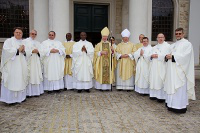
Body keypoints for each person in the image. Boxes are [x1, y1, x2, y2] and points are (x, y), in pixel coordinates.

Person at [164, 28, 196, 113]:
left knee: (179, 88)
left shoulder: (187, 44)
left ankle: (179, 106)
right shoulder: (174, 45)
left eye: (179, 33)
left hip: (180, 71)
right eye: (176, 33)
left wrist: (173, 56)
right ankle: (171, 104)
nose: (178, 35)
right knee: (171, 86)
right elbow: (168, 53)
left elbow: (186, 56)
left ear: (183, 34)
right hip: (172, 70)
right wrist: (167, 56)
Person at [0, 27, 28, 104]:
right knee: (11, 80)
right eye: (17, 32)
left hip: (21, 65)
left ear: (22, 34)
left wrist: (24, 51)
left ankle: (20, 98)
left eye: (20, 33)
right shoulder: (9, 41)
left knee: (21, 79)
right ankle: (10, 99)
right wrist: (17, 50)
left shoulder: (24, 42)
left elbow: (28, 53)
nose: (18, 34)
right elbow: (6, 51)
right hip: (11, 66)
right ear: (14, 33)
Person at [149, 33, 170, 102]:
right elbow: (149, 55)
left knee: (161, 80)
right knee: (154, 79)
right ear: (157, 38)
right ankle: (154, 95)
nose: (160, 39)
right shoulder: (154, 47)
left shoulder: (168, 46)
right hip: (154, 67)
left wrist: (158, 56)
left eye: (162, 37)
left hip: (162, 66)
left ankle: (161, 96)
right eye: (159, 37)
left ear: (164, 38)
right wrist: (151, 56)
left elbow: (168, 55)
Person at [24, 30, 44, 96]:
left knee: (36, 74)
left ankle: (36, 92)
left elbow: (42, 52)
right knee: (30, 75)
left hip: (36, 61)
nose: (33, 35)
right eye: (32, 33)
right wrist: (31, 51)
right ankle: (28, 93)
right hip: (29, 60)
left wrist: (38, 52)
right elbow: (24, 51)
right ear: (30, 33)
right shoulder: (25, 41)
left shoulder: (38, 43)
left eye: (35, 34)